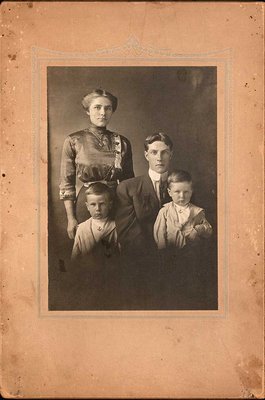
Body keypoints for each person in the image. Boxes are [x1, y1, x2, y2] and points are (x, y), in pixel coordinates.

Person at [59, 89, 134, 240]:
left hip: (115, 203)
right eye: (97, 107)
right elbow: (66, 184)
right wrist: (71, 218)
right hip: (86, 203)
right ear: (88, 110)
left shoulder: (123, 142)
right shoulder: (74, 140)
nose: (103, 113)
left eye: (108, 108)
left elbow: (129, 182)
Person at [115, 132, 173, 309]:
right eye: (154, 152)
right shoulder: (128, 187)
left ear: (171, 154)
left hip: (176, 261)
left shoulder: (183, 186)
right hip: (141, 265)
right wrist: (156, 261)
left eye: (164, 152)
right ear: (146, 155)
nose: (160, 158)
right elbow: (128, 233)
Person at [153, 170, 213, 308]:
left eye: (186, 192)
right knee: (171, 279)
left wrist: (198, 229)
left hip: (192, 254)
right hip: (170, 253)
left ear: (191, 191)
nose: (182, 196)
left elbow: (209, 230)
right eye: (177, 192)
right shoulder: (165, 211)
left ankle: (190, 302)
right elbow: (159, 232)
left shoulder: (197, 211)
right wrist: (163, 251)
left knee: (191, 280)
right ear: (169, 192)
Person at [70, 182, 121, 309]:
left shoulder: (117, 227)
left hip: (112, 279)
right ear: (87, 206)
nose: (97, 209)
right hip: (88, 279)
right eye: (93, 204)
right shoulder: (82, 228)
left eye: (102, 204)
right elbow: (75, 258)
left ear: (110, 205)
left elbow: (123, 256)